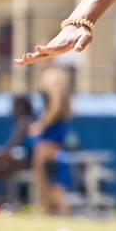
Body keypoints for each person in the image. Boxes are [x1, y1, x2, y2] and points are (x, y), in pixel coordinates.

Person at [30, 66, 75, 216]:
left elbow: (54, 106)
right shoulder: (65, 93)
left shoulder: (54, 86)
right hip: (57, 139)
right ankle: (52, 210)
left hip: (49, 139)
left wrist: (41, 124)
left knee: (45, 177)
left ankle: (50, 210)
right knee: (52, 178)